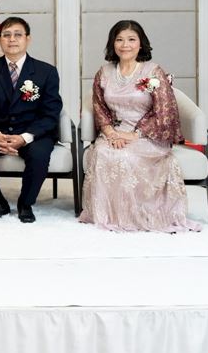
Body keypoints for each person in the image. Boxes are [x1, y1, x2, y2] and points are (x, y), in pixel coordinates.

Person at [78, 20, 201, 232]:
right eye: (119, 40)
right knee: (104, 153)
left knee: (126, 156)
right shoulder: (104, 72)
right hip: (113, 133)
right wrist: (111, 133)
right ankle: (112, 216)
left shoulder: (153, 71)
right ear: (112, 44)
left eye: (131, 39)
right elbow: (98, 107)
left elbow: (165, 110)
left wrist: (134, 135)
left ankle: (139, 215)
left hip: (147, 135)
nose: (125, 45)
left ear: (141, 43)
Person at [0, 16, 62, 223]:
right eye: (6, 35)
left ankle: (25, 203)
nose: (12, 39)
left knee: (39, 154)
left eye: (18, 35)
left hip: (32, 133)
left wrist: (25, 137)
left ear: (28, 39)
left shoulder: (46, 72)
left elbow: (51, 113)